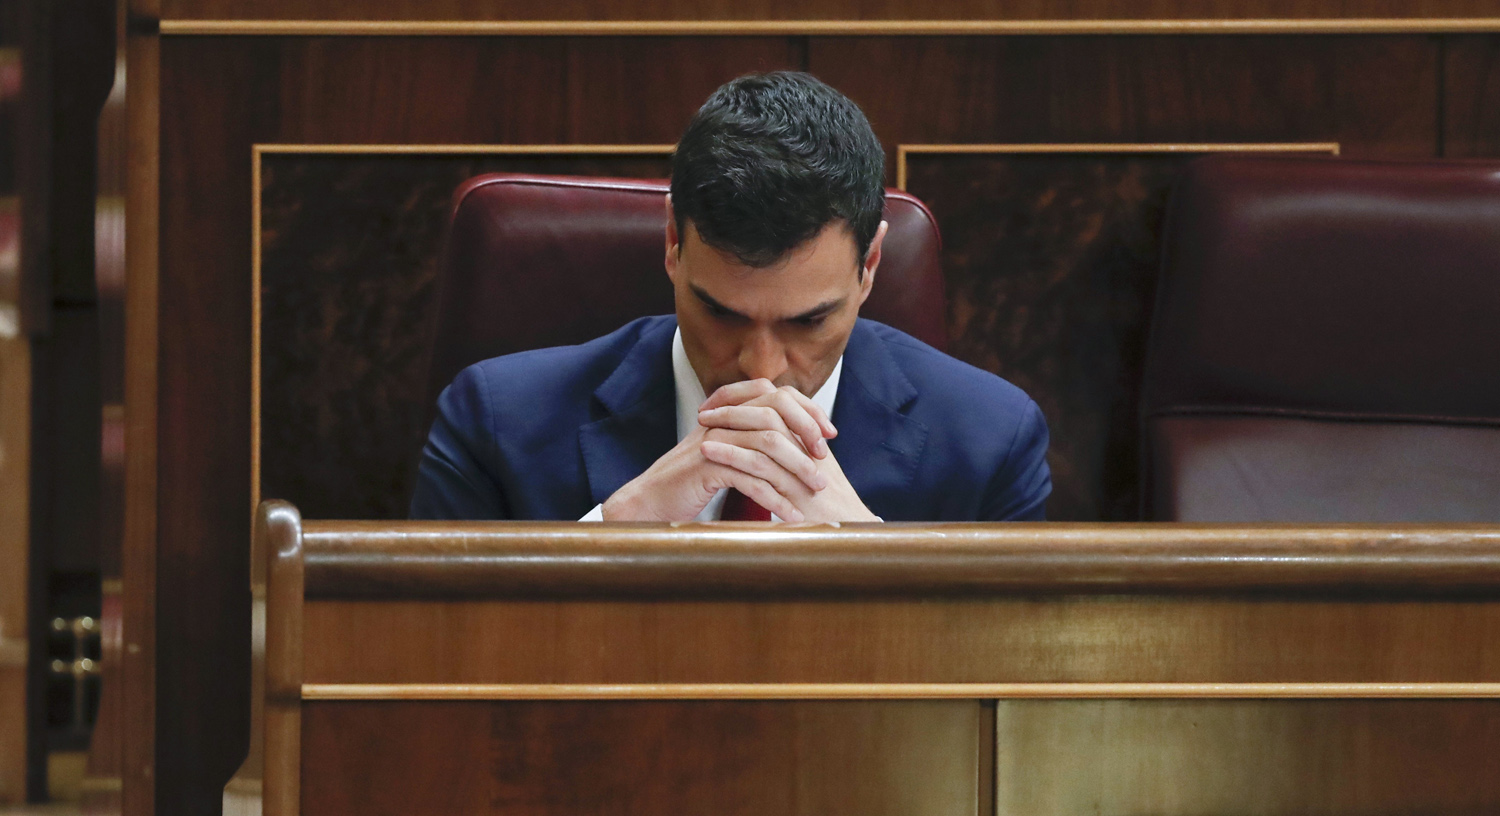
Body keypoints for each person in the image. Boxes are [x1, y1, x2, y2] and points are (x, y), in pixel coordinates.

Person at [410, 71, 1050, 523]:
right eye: (722, 312)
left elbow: (1011, 700)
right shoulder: (493, 424)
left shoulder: (991, 443)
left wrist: (869, 562)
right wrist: (614, 533)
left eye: (809, 320)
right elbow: (427, 675)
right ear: (671, 244)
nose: (762, 367)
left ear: (871, 265)